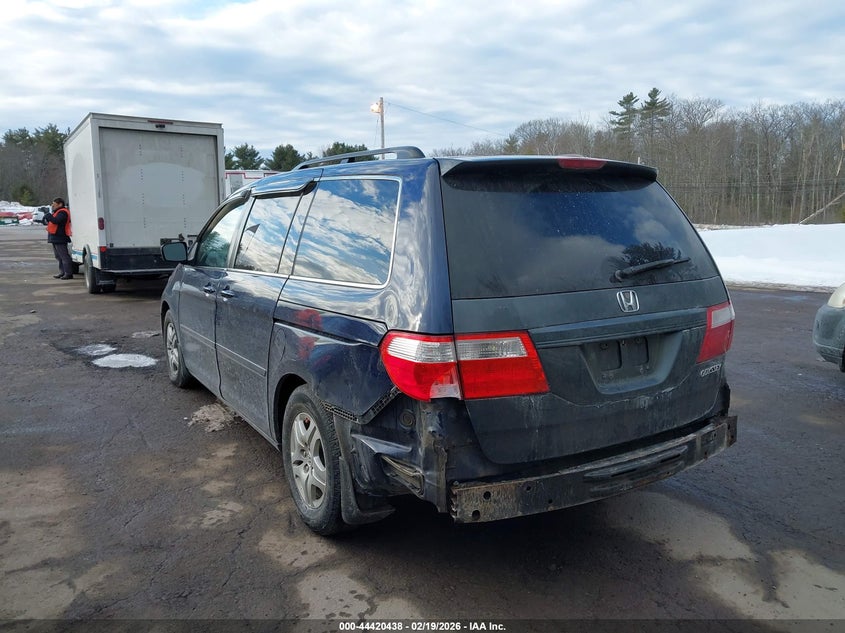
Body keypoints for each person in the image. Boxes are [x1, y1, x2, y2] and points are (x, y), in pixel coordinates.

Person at [43, 197, 74, 279]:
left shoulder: (62, 212)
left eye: (54, 204)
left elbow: (56, 220)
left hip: (60, 237)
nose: (53, 205)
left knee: (64, 256)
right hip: (56, 237)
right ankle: (63, 272)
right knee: (59, 256)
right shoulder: (57, 212)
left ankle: (68, 273)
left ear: (60, 204)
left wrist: (48, 215)